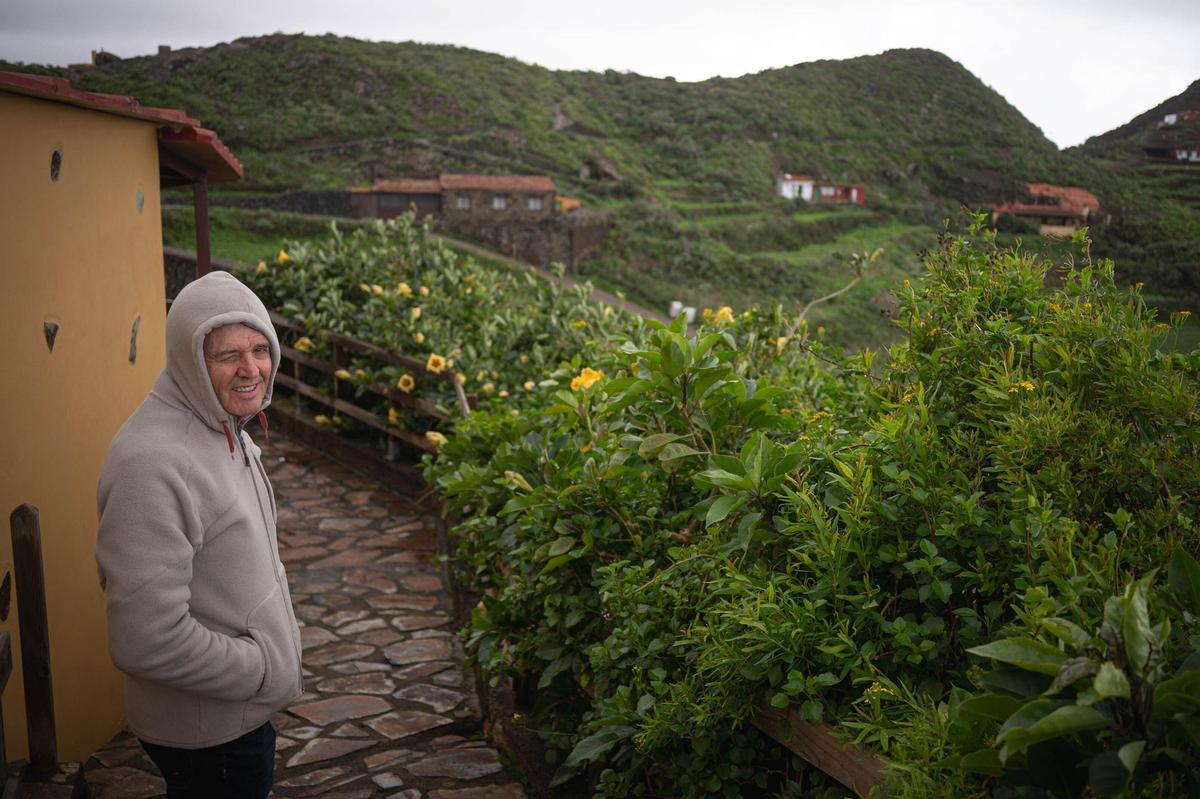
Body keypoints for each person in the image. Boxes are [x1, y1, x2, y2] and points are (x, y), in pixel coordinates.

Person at [96, 271, 303, 798]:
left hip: (232, 718)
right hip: (209, 735)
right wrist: (262, 670)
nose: (251, 369)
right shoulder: (155, 462)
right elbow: (145, 639)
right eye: (227, 355)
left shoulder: (218, 424)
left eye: (261, 349)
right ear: (189, 358)